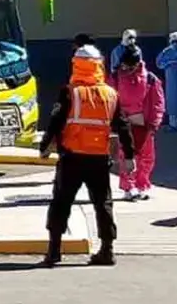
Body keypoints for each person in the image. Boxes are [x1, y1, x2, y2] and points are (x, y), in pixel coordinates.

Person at [39, 44, 134, 267]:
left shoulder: (70, 92)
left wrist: (44, 146)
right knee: (103, 203)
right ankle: (107, 250)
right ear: (99, 66)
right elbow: (123, 126)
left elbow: (55, 121)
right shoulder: (111, 94)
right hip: (99, 159)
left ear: (76, 65)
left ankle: (54, 251)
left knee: (61, 202)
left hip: (72, 157)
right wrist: (129, 156)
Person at [109, 46, 164, 201]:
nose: (126, 69)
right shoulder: (115, 77)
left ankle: (142, 185)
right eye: (124, 65)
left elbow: (157, 102)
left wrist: (154, 122)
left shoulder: (150, 79)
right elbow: (111, 100)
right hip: (124, 123)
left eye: (129, 66)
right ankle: (128, 187)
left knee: (146, 157)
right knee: (126, 156)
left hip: (144, 124)